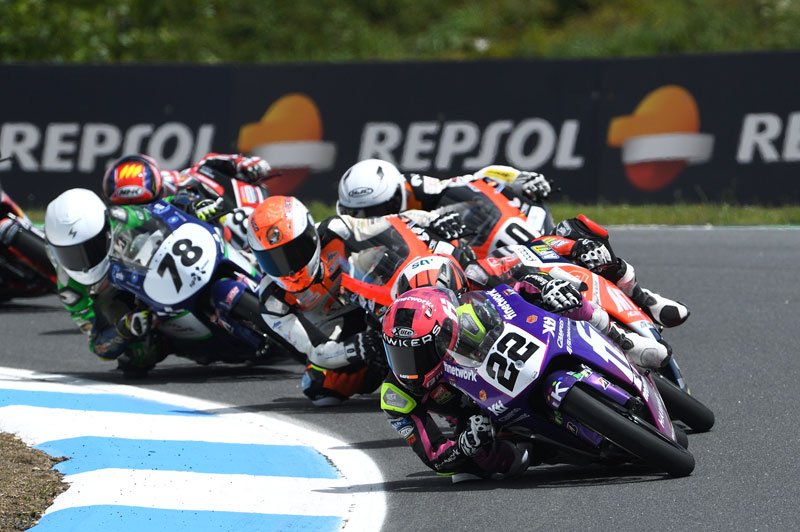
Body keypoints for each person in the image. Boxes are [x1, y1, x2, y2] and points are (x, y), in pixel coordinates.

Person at [335, 159, 689, 329]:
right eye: (361, 214)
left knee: (579, 236)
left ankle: (639, 294)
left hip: (498, 244)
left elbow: (476, 177)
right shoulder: (365, 244)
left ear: (396, 192)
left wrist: (520, 178)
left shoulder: (417, 187)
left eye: (379, 208)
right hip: (466, 272)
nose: (373, 217)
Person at [245, 195, 465, 406]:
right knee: (320, 388)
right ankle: (393, 370)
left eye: (294, 252)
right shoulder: (272, 300)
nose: (289, 269)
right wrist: (361, 345)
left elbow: (390, 223)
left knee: (381, 258)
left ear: (311, 235)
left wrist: (432, 219)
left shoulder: (334, 231)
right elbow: (317, 351)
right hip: (343, 334)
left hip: (371, 298)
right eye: (273, 260)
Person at [45, 187, 269, 377]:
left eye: (90, 247)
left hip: (160, 269)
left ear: (105, 230)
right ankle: (186, 343)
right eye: (70, 254)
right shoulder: (70, 288)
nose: (83, 260)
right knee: (136, 357)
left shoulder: (121, 217)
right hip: (142, 310)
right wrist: (124, 329)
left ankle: (255, 266)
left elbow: (160, 208)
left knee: (229, 223)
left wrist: (192, 203)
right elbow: (98, 343)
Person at [380, 286, 534, 482]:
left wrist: (534, 286)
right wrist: (464, 445)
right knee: (473, 467)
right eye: (399, 354)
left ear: (444, 336)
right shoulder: (395, 395)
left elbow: (509, 298)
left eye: (420, 354)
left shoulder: (469, 319)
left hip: (516, 370)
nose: (410, 367)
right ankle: (532, 450)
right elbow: (434, 456)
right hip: (481, 419)